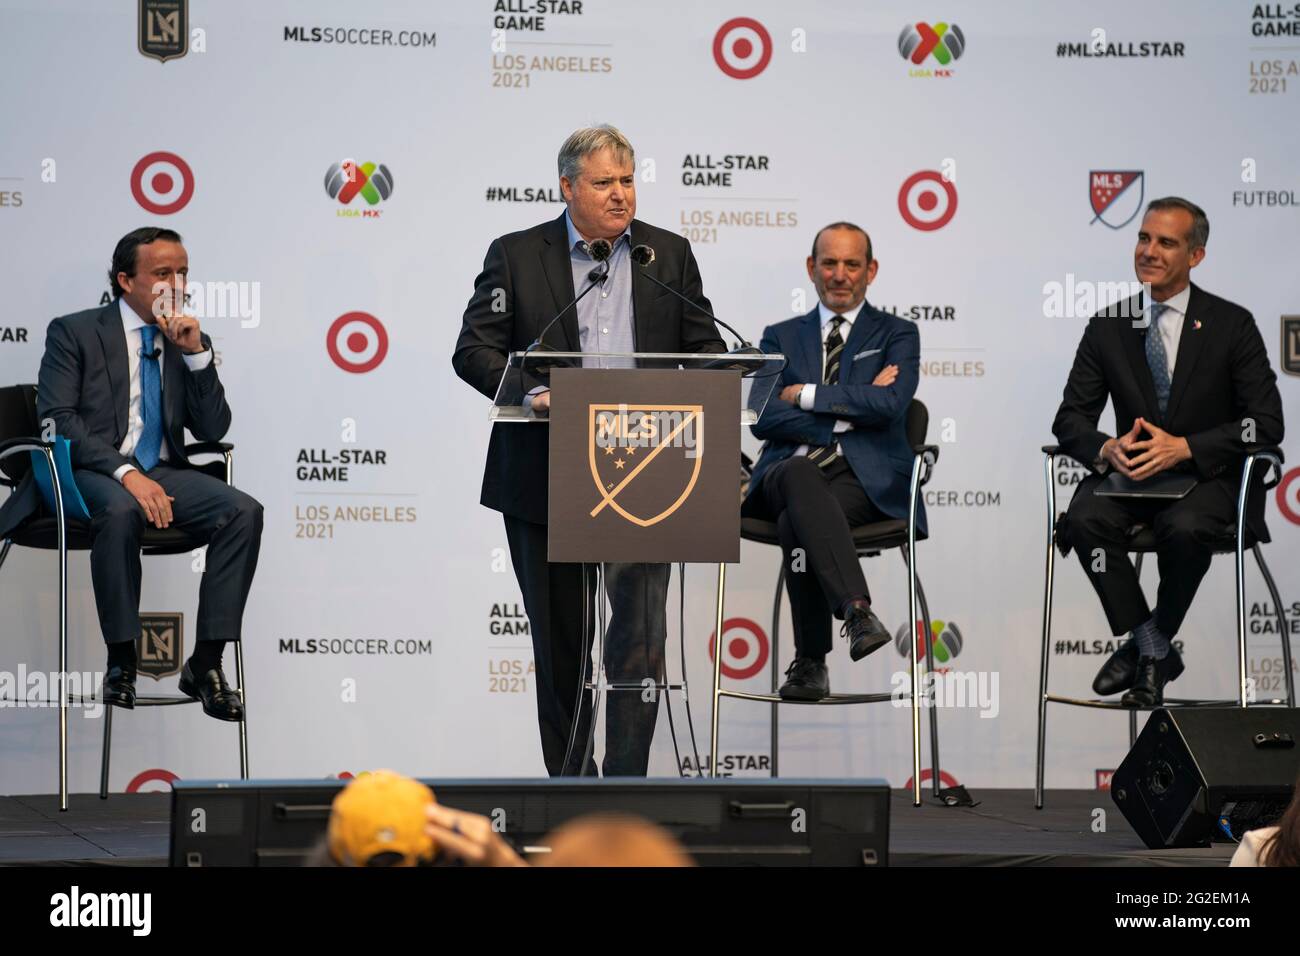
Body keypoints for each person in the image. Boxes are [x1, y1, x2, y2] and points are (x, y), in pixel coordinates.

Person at [453, 125, 724, 776]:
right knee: (564, 649)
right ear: (567, 187)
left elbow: (706, 351)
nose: (620, 195)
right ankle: (572, 792)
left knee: (638, 648)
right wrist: (536, 392)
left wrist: (730, 385)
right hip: (549, 472)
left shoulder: (668, 255)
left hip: (652, 475)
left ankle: (630, 789)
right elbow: (474, 350)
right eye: (604, 183)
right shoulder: (518, 256)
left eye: (628, 181)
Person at [0, 227, 263, 719]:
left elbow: (213, 427)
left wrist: (196, 355)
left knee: (242, 511)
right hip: (83, 470)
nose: (176, 284)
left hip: (163, 470)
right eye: (162, 273)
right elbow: (58, 420)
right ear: (126, 279)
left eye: (183, 273)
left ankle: (205, 664)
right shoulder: (75, 331)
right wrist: (125, 471)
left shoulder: (187, 337)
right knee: (122, 510)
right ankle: (122, 659)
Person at [1052, 197, 1284, 706]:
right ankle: (1155, 647)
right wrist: (1106, 447)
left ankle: (1146, 649)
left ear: (1195, 256)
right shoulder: (1109, 326)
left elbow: (1265, 425)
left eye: (1166, 242)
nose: (1149, 251)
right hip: (1130, 477)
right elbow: (1069, 420)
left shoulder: (1231, 324)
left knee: (1184, 529)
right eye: (1143, 238)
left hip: (1207, 478)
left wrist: (1185, 447)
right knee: (1084, 520)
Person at [742, 222, 925, 701]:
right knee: (800, 476)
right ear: (811, 268)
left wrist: (803, 394)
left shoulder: (898, 334)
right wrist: (845, 415)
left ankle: (810, 663)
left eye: (851, 264)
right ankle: (857, 612)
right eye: (829, 263)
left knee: (796, 521)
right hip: (784, 471)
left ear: (871, 270)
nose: (840, 275)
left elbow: (891, 406)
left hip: (862, 480)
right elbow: (762, 416)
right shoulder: (778, 335)